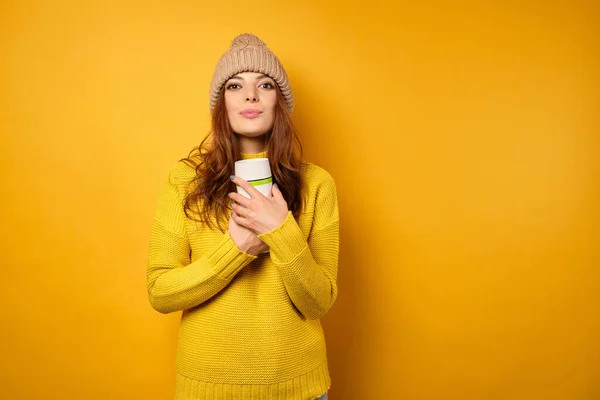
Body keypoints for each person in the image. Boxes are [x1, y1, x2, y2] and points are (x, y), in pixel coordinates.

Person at [147, 33, 339, 400]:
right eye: (235, 85)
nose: (250, 95)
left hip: (299, 388)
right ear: (221, 103)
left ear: (279, 102)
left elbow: (319, 302)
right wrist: (237, 248)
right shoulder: (184, 180)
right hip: (208, 389)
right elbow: (160, 292)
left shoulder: (317, 184)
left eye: (264, 84)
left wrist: (280, 231)